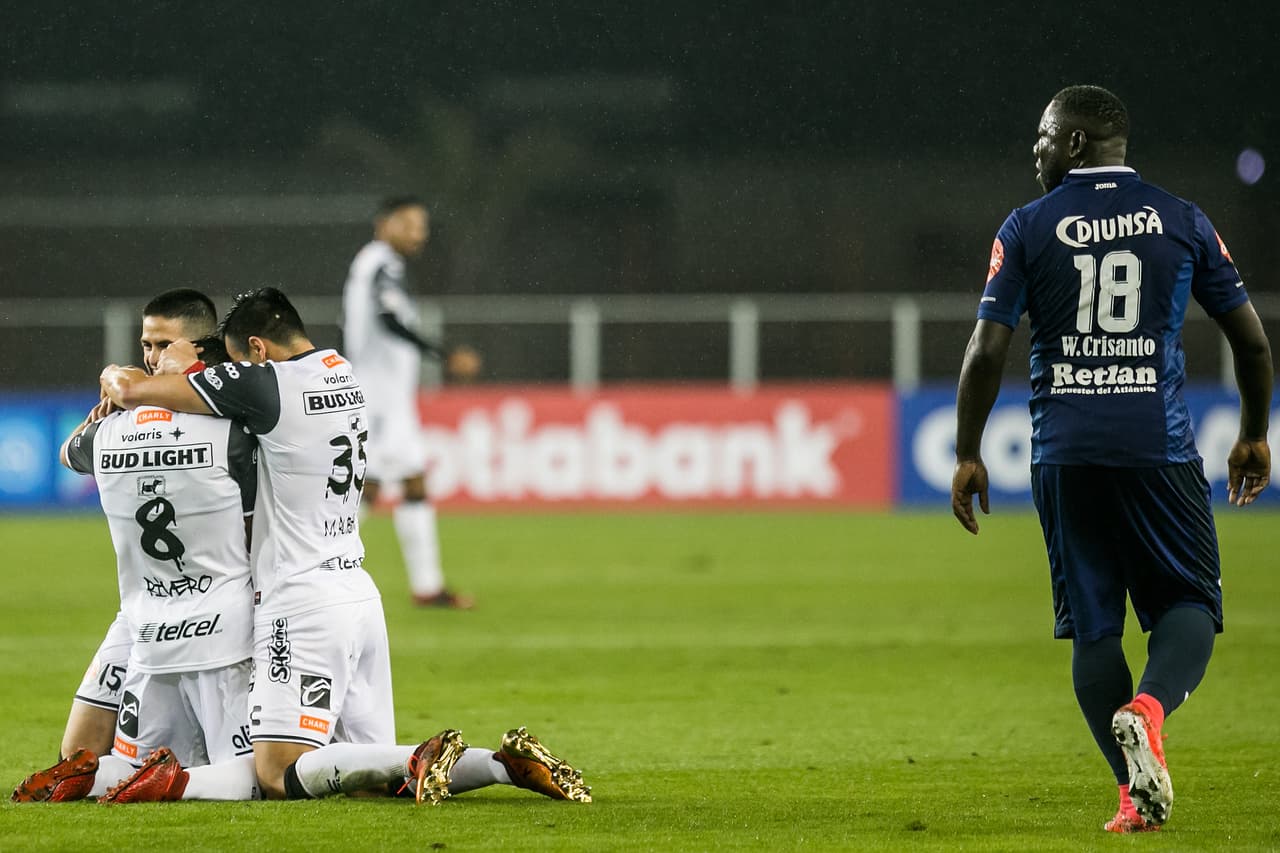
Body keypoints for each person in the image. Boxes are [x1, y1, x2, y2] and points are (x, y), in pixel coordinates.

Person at [95, 287, 589, 804]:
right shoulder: (342, 372)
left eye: (242, 360)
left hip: (299, 599)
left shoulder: (269, 387)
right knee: (367, 778)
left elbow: (132, 391)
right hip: (356, 592)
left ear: (260, 351)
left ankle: (416, 757)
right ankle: (501, 764)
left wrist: (117, 375)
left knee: (276, 772)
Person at [951, 85, 1273, 834]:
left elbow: (986, 349)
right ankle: (1150, 709)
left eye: (1044, 136)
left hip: (1063, 454)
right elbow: (1252, 342)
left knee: (1094, 631)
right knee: (1189, 602)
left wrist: (968, 452)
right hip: (1154, 447)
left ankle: (1132, 796)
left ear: (1076, 145)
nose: (1034, 149)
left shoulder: (1028, 226)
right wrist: (1255, 431)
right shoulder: (1183, 219)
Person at [13, 290, 259, 803]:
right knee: (256, 774)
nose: (150, 356)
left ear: (200, 347)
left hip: (154, 621)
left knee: (99, 760)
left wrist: (114, 390)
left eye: (162, 344)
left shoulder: (109, 431)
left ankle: (115, 780)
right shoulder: (234, 432)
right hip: (177, 621)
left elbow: (70, 452)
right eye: (145, 345)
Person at [342, 195, 480, 609]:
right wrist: (442, 354)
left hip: (383, 397)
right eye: (408, 224)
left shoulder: (378, 266)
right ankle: (320, 572)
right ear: (383, 224)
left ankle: (426, 587)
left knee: (383, 486)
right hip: (378, 399)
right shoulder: (380, 263)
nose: (418, 233)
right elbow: (388, 321)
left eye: (422, 226)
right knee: (378, 486)